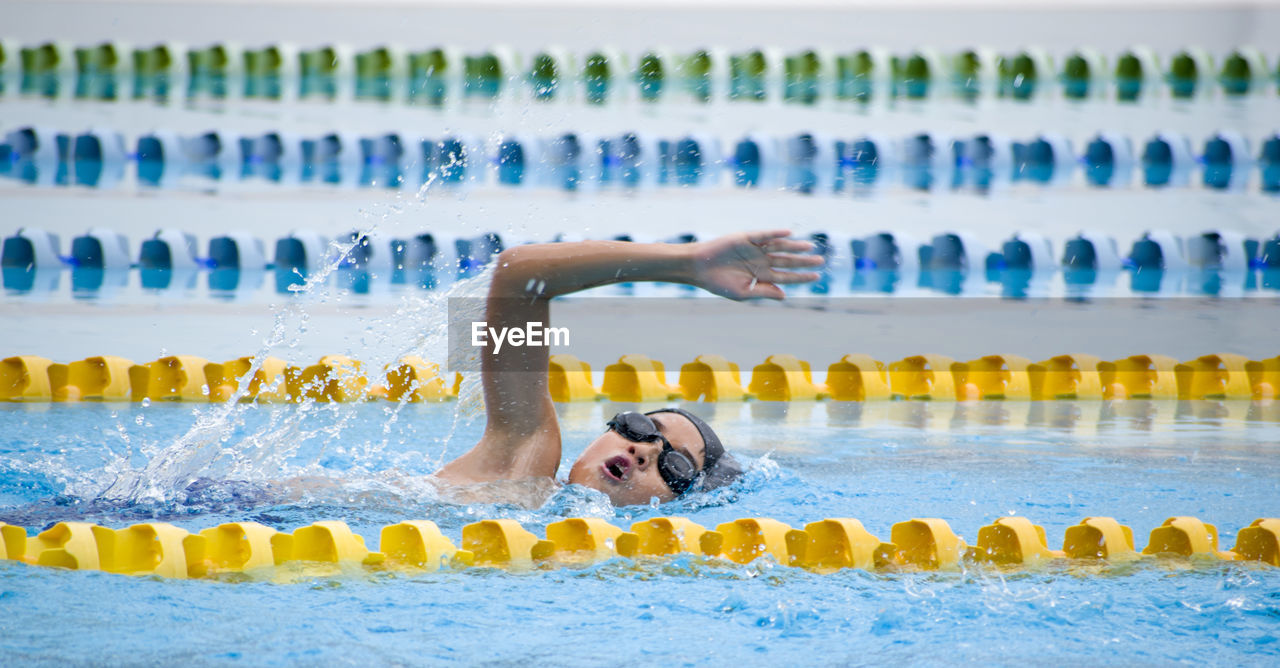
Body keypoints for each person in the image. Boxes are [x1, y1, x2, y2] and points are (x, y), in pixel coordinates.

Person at [436, 230, 823, 506]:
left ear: (677, 503)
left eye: (676, 466)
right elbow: (520, 275)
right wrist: (688, 263)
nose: (645, 451)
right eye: (643, 427)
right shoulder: (522, 455)